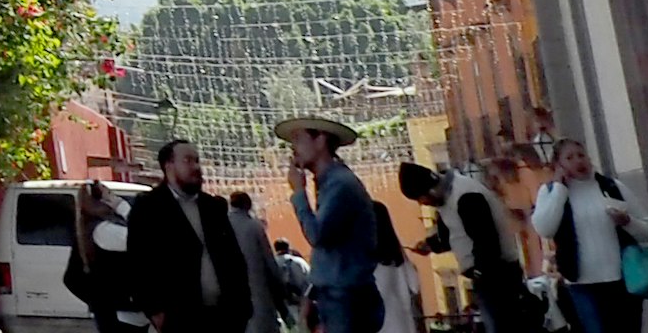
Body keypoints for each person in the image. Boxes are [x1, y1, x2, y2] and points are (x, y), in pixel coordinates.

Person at [404, 160, 545, 333]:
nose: (422, 204)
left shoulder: (465, 195)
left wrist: (480, 273)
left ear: (429, 189)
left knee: (506, 326)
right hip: (488, 274)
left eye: (420, 198)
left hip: (496, 274)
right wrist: (431, 245)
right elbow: (453, 235)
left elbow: (486, 239)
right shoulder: (446, 201)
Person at [530, 140, 648, 333]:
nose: (578, 161)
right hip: (581, 282)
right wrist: (559, 189)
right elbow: (545, 228)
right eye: (569, 158)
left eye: (581, 155)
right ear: (558, 165)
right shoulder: (550, 192)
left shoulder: (612, 186)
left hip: (622, 279)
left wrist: (628, 222)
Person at [135, 140, 257, 333]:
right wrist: (156, 312)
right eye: (188, 160)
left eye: (197, 160)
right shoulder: (149, 207)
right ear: (169, 166)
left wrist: (243, 306)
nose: (196, 167)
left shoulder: (213, 207)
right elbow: (140, 264)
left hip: (226, 317)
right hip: (180, 318)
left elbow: (234, 258)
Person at [286, 115, 388, 333]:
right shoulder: (332, 183)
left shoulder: (340, 184)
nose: (293, 147)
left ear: (321, 140)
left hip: (345, 297)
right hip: (340, 296)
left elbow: (318, 235)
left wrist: (298, 193)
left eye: (298, 139)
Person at [74, 178, 146, 333]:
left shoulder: (100, 226)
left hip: (126, 312)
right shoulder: (103, 230)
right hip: (121, 314)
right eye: (109, 194)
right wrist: (122, 206)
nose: (114, 197)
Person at [228, 192, 291, 333]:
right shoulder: (254, 227)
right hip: (258, 305)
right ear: (248, 205)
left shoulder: (215, 227)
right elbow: (271, 267)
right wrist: (282, 295)